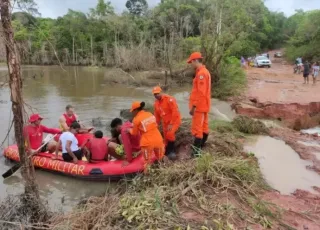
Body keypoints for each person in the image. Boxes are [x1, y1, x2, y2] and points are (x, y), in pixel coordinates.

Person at [187, 52, 211, 157]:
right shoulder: (203, 72)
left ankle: (196, 153)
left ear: (196, 60)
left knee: (197, 129)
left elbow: (201, 93)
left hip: (199, 107)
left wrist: (193, 107)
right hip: (204, 105)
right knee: (204, 127)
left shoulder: (201, 74)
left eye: (191, 62)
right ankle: (200, 146)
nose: (191, 64)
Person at [128, 101, 164, 171]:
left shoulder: (136, 119)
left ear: (136, 110)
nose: (132, 113)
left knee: (147, 162)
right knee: (160, 158)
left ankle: (147, 177)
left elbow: (134, 133)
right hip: (158, 139)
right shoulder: (150, 114)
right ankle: (162, 171)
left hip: (147, 142)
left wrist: (129, 130)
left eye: (132, 111)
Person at [153, 86, 181, 160]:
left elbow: (175, 112)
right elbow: (157, 116)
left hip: (174, 120)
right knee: (165, 138)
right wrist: (155, 125)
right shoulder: (156, 104)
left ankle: (172, 151)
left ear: (161, 92)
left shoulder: (169, 99)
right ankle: (166, 151)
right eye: (155, 94)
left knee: (170, 134)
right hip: (165, 122)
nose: (156, 95)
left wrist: (171, 123)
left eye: (157, 93)